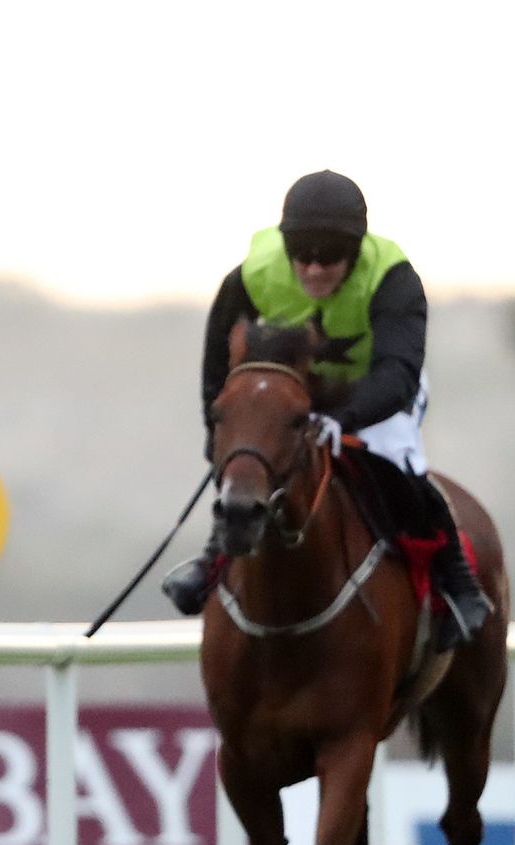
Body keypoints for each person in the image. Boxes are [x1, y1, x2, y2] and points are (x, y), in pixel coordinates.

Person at [161, 169, 492, 652]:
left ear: (355, 252)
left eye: (331, 257)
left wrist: (344, 420)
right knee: (248, 457)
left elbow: (398, 373)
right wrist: (219, 429)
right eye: (302, 255)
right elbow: (217, 366)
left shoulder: (393, 279)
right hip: (295, 390)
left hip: (377, 390)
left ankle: (459, 586)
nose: (314, 269)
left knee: (398, 461)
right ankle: (213, 559)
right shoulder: (250, 275)